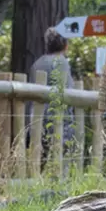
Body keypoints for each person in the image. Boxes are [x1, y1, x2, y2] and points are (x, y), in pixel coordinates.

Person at [30, 28, 75, 168]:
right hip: (59, 118)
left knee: (40, 159)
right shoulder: (62, 62)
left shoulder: (37, 63)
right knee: (60, 159)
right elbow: (69, 89)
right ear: (65, 45)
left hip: (37, 117)